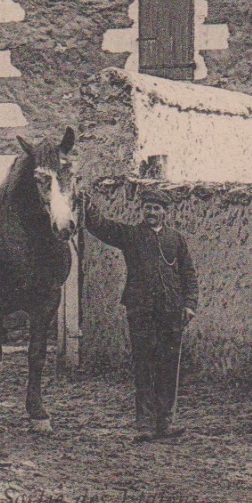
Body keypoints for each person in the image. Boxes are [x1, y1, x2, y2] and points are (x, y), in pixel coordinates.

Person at [80, 189, 200, 442]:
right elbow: (102, 227)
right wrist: (87, 206)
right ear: (142, 210)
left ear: (165, 212)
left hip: (171, 312)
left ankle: (165, 423)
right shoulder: (131, 236)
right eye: (148, 208)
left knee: (169, 368)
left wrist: (189, 304)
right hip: (141, 311)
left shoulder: (175, 240)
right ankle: (144, 425)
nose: (152, 212)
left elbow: (188, 274)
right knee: (143, 365)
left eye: (157, 208)